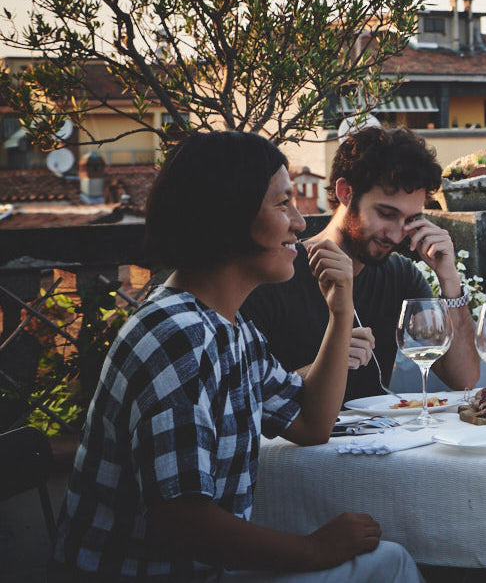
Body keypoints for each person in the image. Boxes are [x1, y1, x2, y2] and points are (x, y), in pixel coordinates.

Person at [51, 131, 421, 581]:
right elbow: (182, 521)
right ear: (230, 215)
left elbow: (310, 424)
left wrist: (340, 314)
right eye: (282, 204)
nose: (300, 223)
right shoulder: (178, 335)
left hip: (198, 571)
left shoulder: (227, 326)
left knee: (388, 559)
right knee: (390, 565)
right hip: (147, 574)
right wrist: (314, 549)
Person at [240, 125, 477, 401]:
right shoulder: (277, 274)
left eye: (410, 220)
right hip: (296, 443)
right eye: (386, 213)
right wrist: (328, 363)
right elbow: (245, 397)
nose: (397, 233)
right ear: (345, 192)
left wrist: (449, 280)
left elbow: (464, 379)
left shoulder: (401, 276)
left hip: (380, 439)